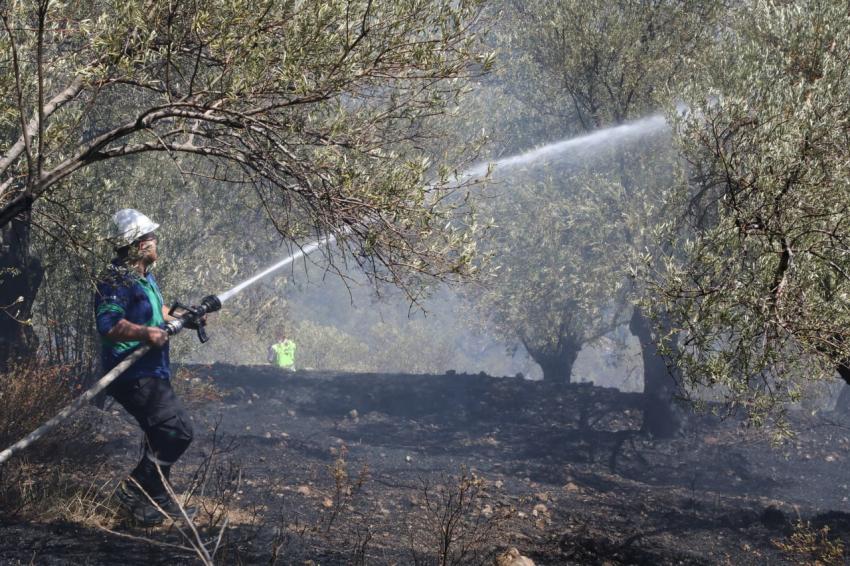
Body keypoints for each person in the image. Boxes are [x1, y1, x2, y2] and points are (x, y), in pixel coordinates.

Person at [95, 208, 204, 526]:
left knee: (162, 433)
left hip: (153, 371)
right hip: (131, 373)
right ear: (136, 244)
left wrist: (186, 318)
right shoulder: (116, 280)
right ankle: (133, 491)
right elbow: (108, 323)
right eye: (150, 236)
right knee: (176, 430)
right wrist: (145, 333)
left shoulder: (145, 278)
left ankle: (154, 500)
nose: (156, 241)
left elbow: (157, 312)